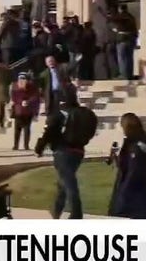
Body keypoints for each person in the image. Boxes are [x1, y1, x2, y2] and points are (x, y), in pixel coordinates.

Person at [34, 84, 98, 219]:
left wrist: (39, 148)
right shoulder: (84, 112)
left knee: (69, 183)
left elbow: (49, 131)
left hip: (62, 151)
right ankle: (56, 212)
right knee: (63, 182)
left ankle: (76, 213)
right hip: (78, 152)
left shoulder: (60, 112)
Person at [107, 113, 146, 220]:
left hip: (134, 191)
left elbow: (135, 170)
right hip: (137, 189)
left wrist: (123, 191)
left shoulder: (137, 146)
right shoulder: (130, 143)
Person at [11, 73, 40, 151]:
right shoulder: (15, 86)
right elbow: (14, 98)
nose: (22, 81)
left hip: (28, 111)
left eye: (23, 79)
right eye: (20, 79)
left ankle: (26, 145)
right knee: (17, 129)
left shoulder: (32, 87)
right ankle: (15, 145)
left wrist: (28, 102)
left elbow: (35, 97)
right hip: (18, 111)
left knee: (27, 129)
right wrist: (21, 102)